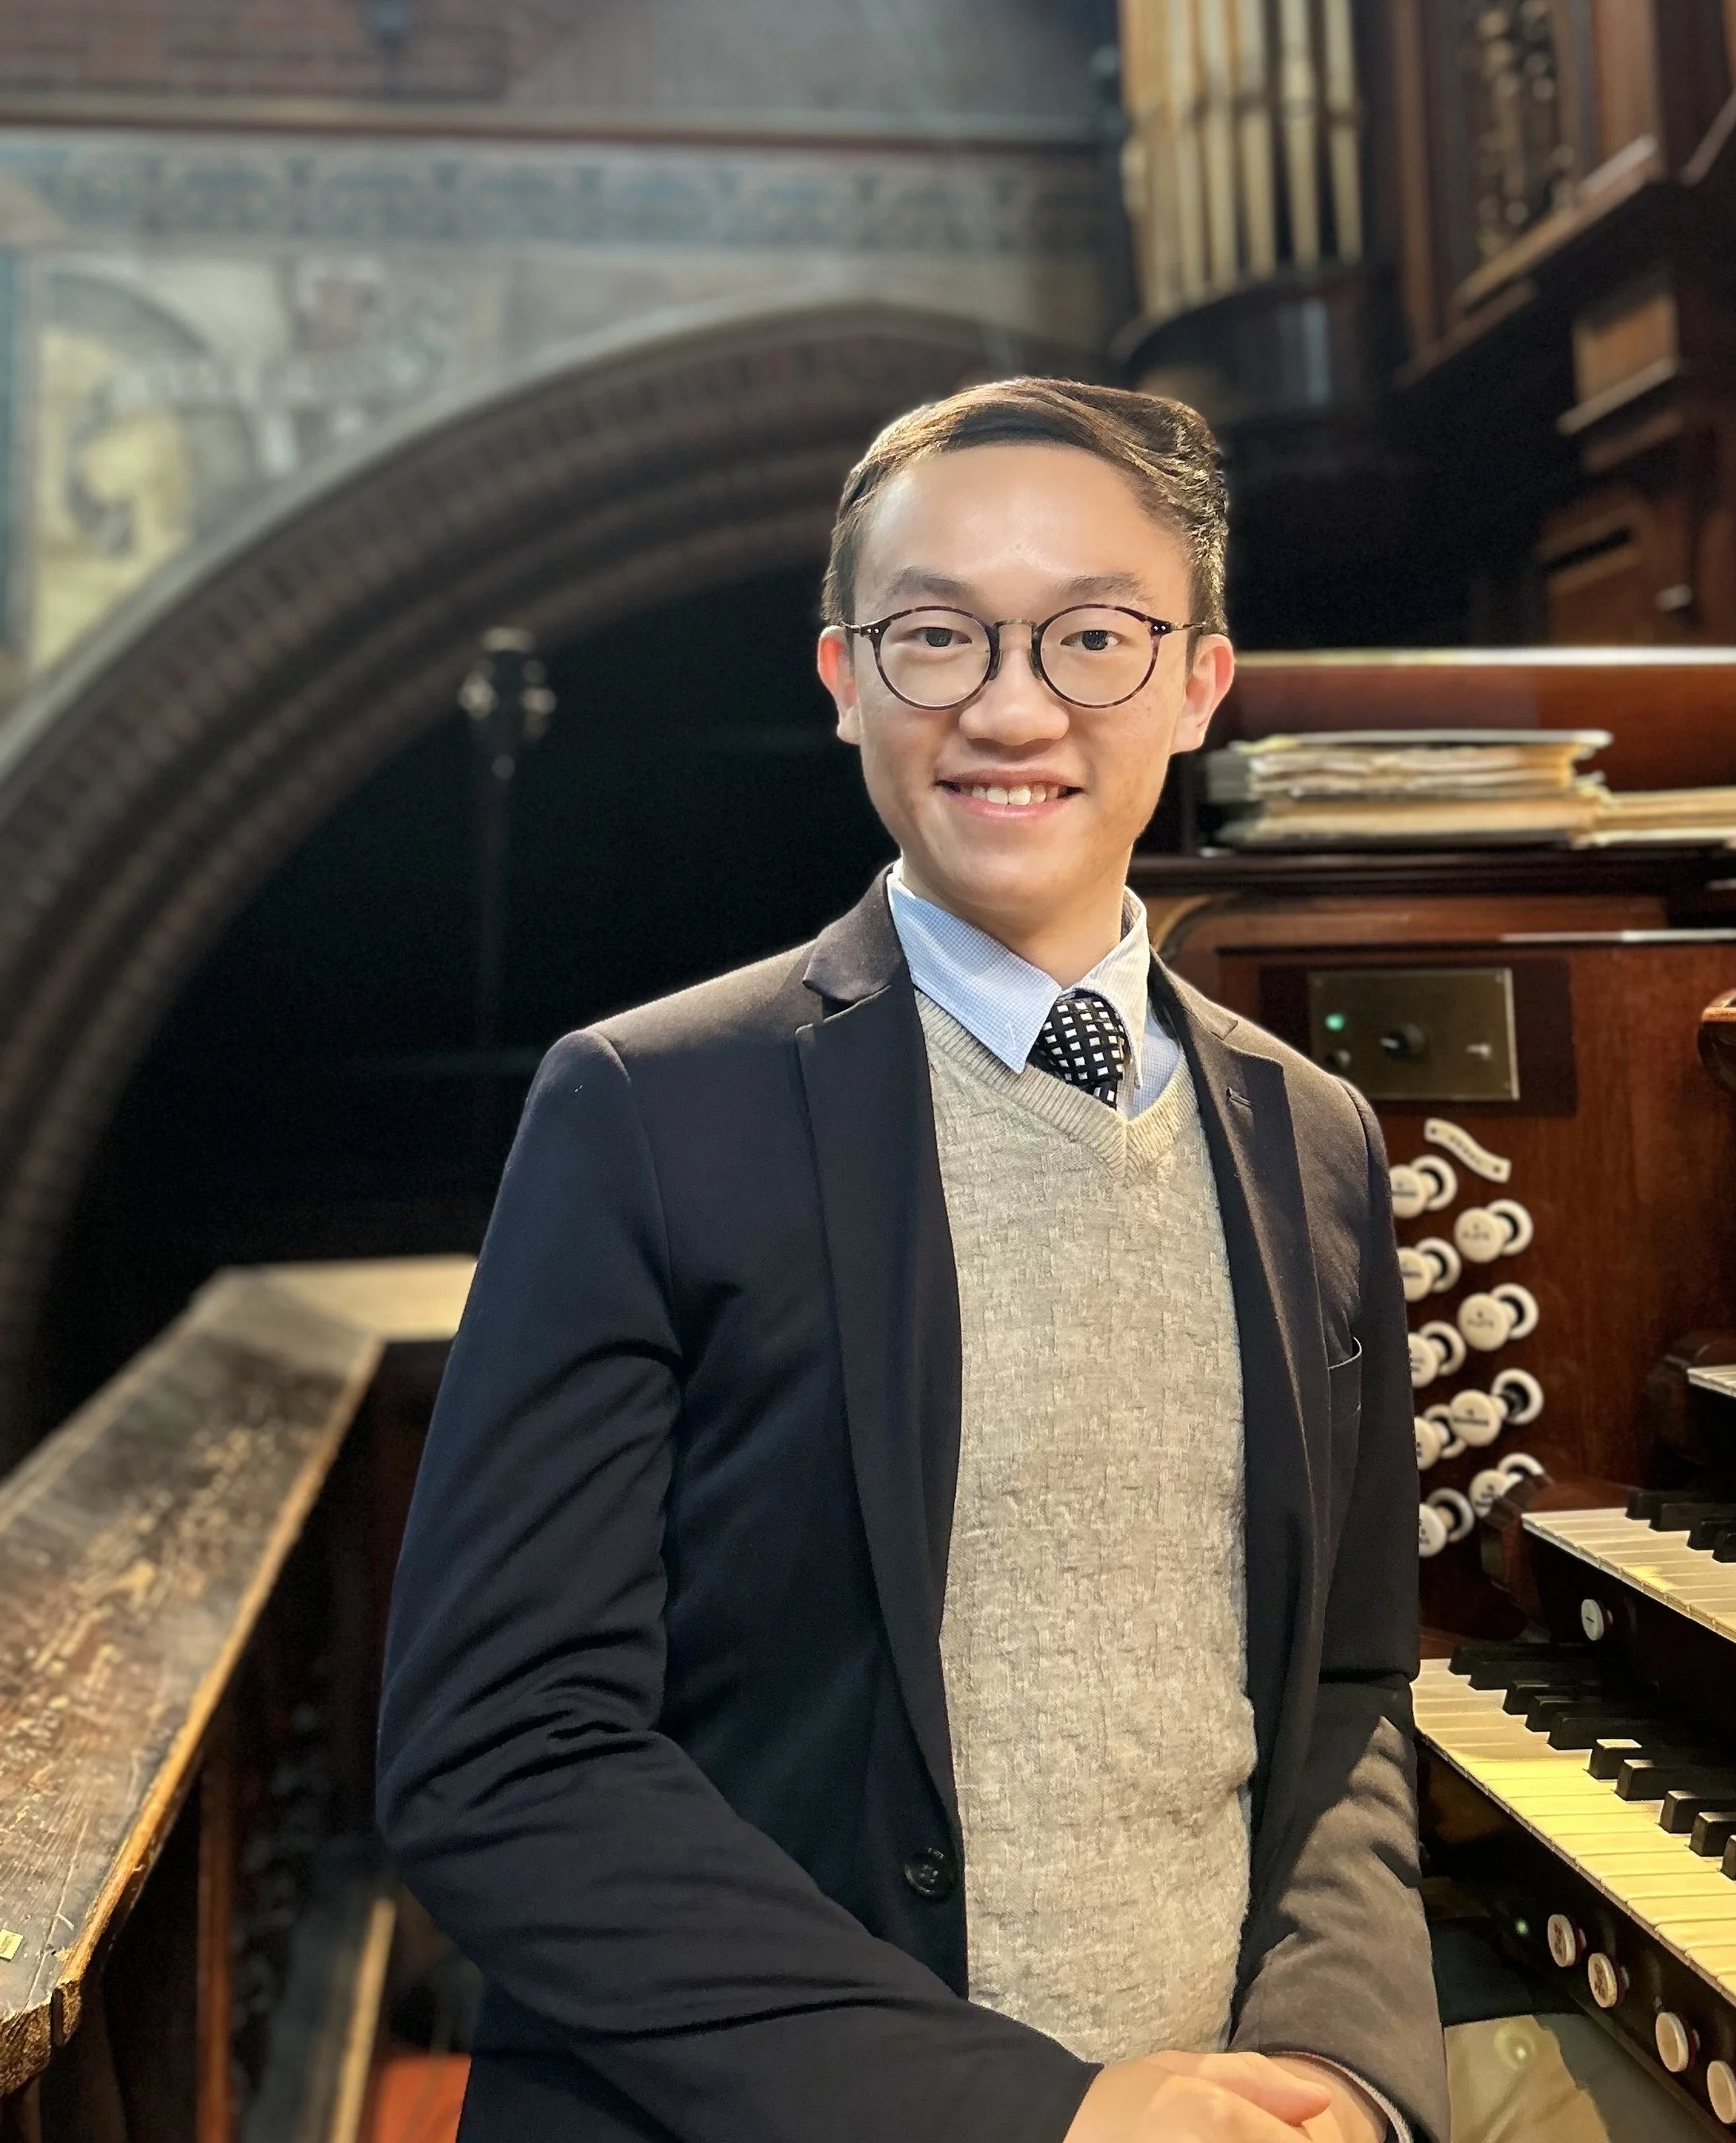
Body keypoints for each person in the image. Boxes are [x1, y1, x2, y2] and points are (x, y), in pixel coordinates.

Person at [377, 378, 1447, 2143]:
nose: (1011, 704)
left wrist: (1332, 2061)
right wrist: (1038, 2113)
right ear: (845, 679)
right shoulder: (647, 1110)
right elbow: (500, 1761)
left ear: (1197, 681)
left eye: (1092, 635)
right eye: (937, 634)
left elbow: (1342, 1690)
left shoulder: (1311, 1137)